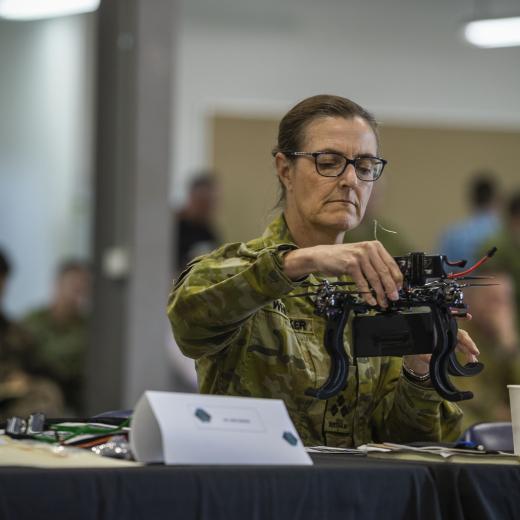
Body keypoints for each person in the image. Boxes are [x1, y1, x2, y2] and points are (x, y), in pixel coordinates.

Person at [168, 95, 479, 447]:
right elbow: (189, 318)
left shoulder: (382, 290)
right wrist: (304, 261)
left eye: (363, 167)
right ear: (285, 170)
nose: (350, 180)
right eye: (329, 162)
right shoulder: (243, 269)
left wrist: (419, 370)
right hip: (257, 492)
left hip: (356, 495)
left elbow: (408, 444)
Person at [0, 248, 63, 420]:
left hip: (11, 407)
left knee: (45, 392)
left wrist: (21, 382)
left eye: (2, 280)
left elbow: (39, 368)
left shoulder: (15, 332)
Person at [22, 260, 91, 415]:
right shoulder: (33, 321)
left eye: (84, 285)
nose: (79, 290)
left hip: (74, 393)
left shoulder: (89, 328)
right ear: (58, 285)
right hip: (38, 388)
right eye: (74, 284)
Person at [437, 173, 501, 267]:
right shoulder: (505, 233)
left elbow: (440, 271)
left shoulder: (452, 234)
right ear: (496, 199)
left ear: (472, 199)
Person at [174, 172, 221, 273]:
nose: (208, 208)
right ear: (191, 198)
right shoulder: (175, 228)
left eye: (212, 202)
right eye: (203, 202)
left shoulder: (208, 231)